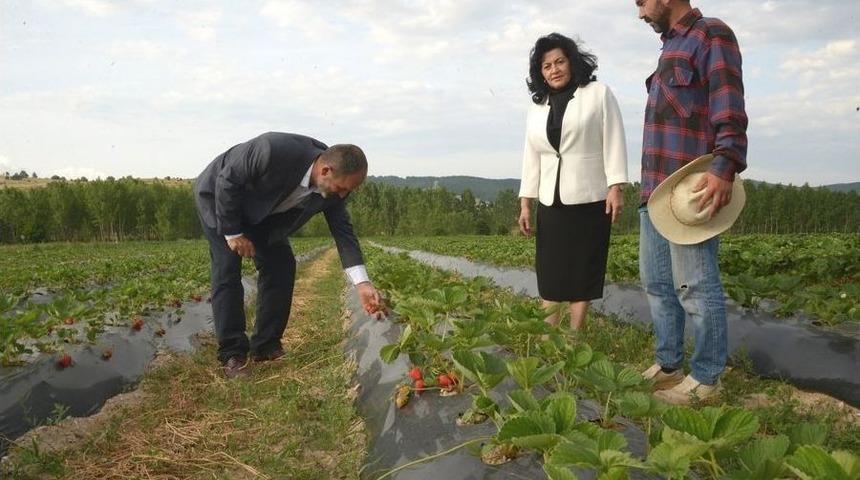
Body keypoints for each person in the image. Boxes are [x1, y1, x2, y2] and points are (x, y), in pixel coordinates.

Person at [194, 132, 381, 378]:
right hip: (220, 200)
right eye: (342, 188)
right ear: (325, 171)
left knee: (281, 265)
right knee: (227, 268)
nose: (343, 195)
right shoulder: (272, 150)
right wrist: (232, 233)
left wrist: (362, 283)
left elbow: (343, 232)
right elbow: (228, 180)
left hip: (263, 216)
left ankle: (265, 346)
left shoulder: (333, 189)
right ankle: (232, 354)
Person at [634, 0, 748, 404]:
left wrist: (725, 166)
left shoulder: (710, 35)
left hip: (689, 190)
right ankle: (669, 366)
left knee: (695, 285)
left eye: (641, 2)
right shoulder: (669, 49)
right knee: (658, 284)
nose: (640, 13)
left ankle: (707, 378)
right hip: (654, 190)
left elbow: (729, 105)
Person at [517, 33, 628, 333]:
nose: (554, 70)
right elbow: (532, 155)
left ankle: (574, 338)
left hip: (591, 198)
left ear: (572, 62)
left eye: (559, 62)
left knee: (582, 273)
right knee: (550, 275)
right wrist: (526, 201)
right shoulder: (537, 107)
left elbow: (614, 138)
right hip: (551, 200)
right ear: (539, 72)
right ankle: (548, 337)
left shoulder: (597, 93)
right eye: (546, 66)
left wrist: (616, 185)